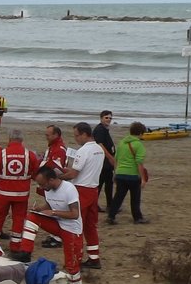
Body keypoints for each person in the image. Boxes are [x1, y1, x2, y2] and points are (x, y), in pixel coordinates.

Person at [12, 165, 83, 284]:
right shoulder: (49, 190)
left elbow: (75, 214)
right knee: (32, 217)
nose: (41, 187)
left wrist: (54, 212)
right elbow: (49, 204)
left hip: (72, 230)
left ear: (51, 180)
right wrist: (40, 209)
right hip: (58, 225)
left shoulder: (69, 189)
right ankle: (25, 252)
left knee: (72, 265)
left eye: (42, 184)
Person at [61, 122, 106, 268]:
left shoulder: (83, 151)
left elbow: (74, 174)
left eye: (77, 135)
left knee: (77, 225)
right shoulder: (99, 149)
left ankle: (77, 258)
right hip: (93, 189)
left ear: (85, 134)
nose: (76, 139)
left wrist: (58, 177)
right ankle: (94, 258)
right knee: (90, 226)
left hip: (81, 190)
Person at [0, 128, 40, 241]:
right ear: (22, 140)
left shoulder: (1, 154)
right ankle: (16, 246)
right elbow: (36, 174)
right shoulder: (30, 155)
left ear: (9, 139)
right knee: (19, 219)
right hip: (21, 195)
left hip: (3, 193)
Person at [107, 121, 150, 224]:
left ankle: (111, 216)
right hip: (133, 175)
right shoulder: (138, 145)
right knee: (135, 197)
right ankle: (137, 217)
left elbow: (116, 159)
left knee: (118, 197)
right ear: (140, 133)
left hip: (121, 174)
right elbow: (139, 163)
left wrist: (115, 174)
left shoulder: (122, 143)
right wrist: (143, 178)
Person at [92, 110, 118, 212]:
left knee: (108, 183)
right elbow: (100, 145)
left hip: (106, 162)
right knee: (100, 184)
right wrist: (110, 158)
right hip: (103, 162)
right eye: (106, 118)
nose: (108, 120)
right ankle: (95, 204)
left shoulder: (104, 129)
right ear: (101, 118)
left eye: (110, 118)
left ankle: (110, 205)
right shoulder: (100, 129)